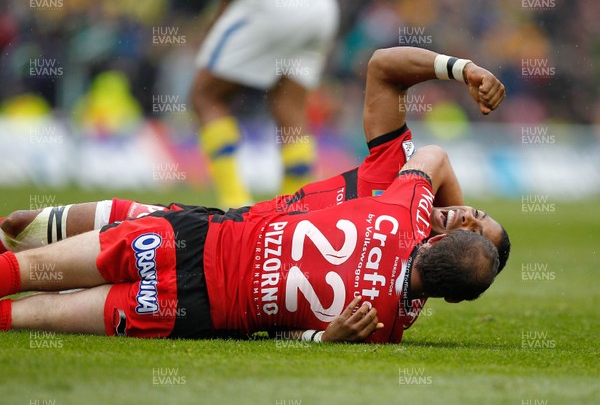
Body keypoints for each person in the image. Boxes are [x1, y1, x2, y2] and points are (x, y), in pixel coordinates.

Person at [0, 46, 510, 270]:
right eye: (478, 215)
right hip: (216, 227)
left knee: (48, 284)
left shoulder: (389, 277)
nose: (468, 217)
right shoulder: (397, 177)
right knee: (20, 227)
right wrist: (460, 68)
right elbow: (382, 68)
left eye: (472, 235)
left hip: (216, 281)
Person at [0, 144, 499, 343]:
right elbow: (281, 336)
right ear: (450, 297)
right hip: (193, 310)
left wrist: (445, 221)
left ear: (439, 237)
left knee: (28, 269)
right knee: (32, 316)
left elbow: (432, 153)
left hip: (190, 241)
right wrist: (326, 341)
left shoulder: (400, 212)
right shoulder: (383, 325)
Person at [190, 0, 340, 208]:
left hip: (273, 1)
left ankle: (235, 201)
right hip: (323, 6)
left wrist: (224, 7)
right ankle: (293, 208)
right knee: (289, 106)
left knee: (205, 96)